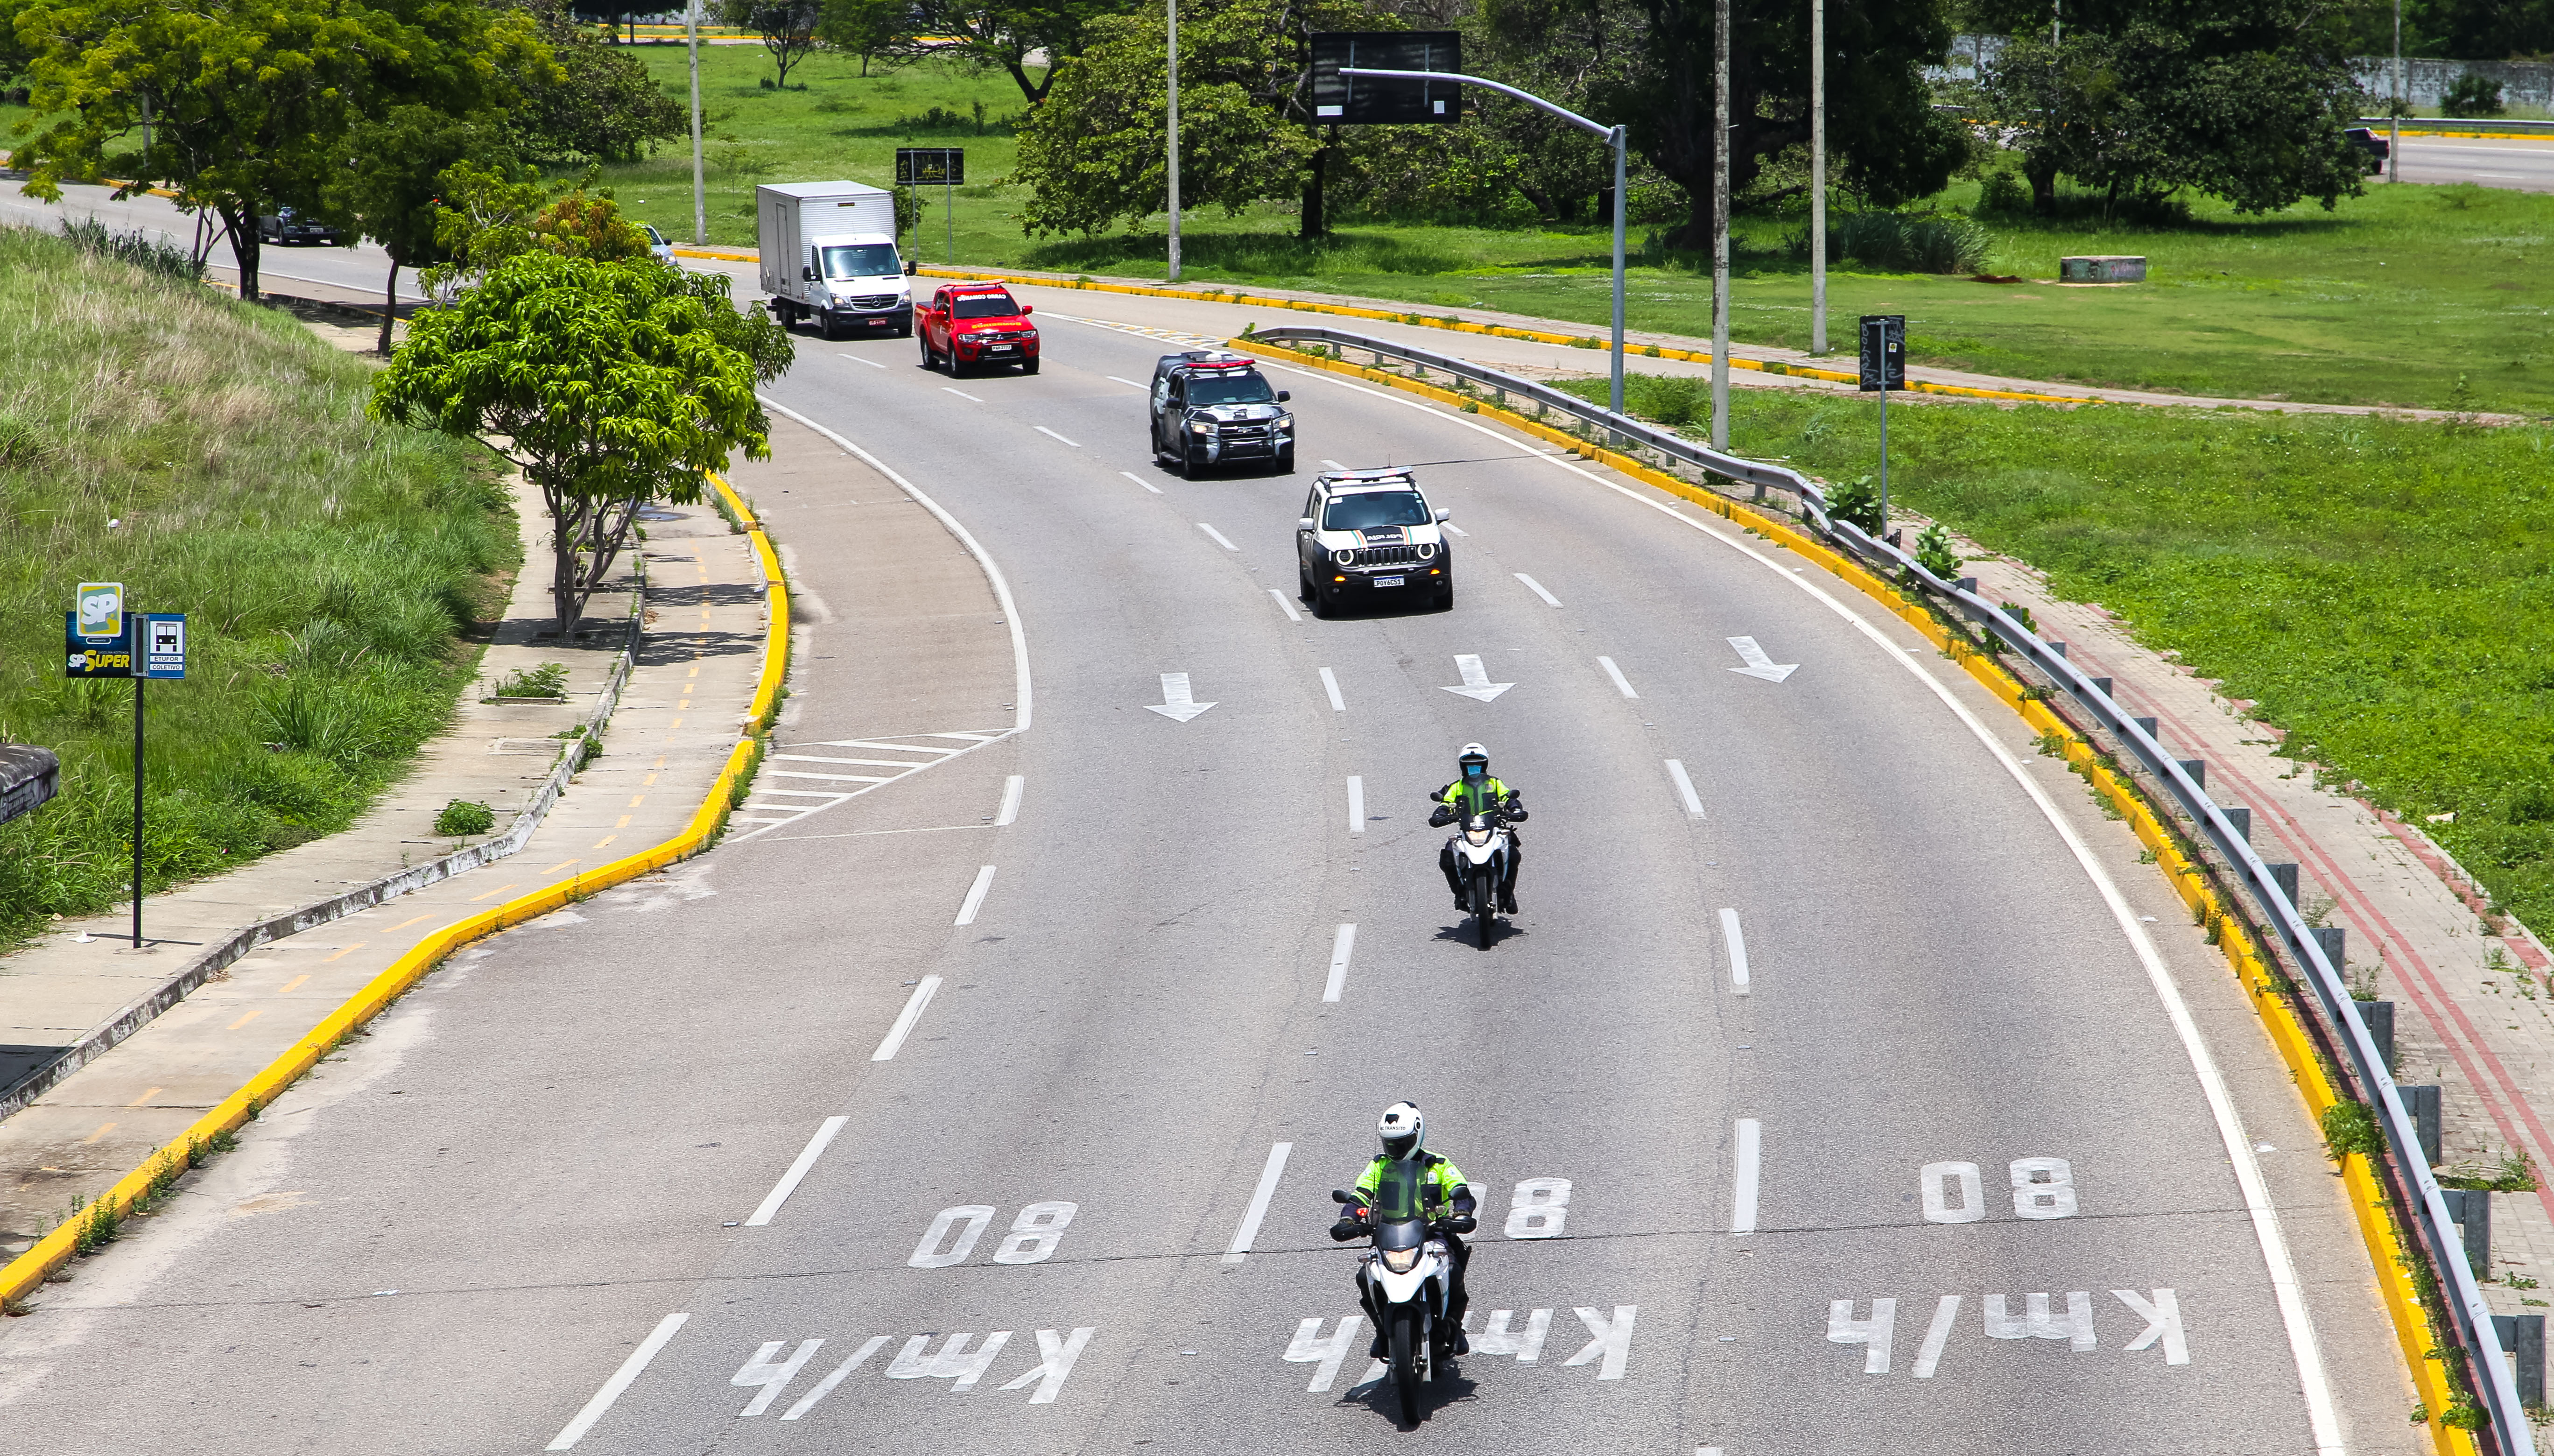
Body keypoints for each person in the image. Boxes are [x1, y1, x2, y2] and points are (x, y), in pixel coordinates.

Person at [1330, 1101, 1477, 1355]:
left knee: (1453, 1271)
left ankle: (1454, 1325)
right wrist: (1348, 1220)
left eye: (1401, 1143)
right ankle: (1381, 1330)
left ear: (1417, 1135)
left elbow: (1461, 1191)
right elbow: (1360, 1196)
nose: (1395, 1149)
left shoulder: (1438, 1164)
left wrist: (1462, 1212)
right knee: (1365, 1278)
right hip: (1390, 1235)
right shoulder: (1378, 1167)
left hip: (1433, 1232)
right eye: (1390, 1143)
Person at [1430, 742, 1525, 914]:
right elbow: (1445, 803)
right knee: (1447, 858)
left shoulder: (1495, 783)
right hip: (1468, 829)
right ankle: (1459, 893)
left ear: (1485, 765)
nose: (1473, 768)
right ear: (1462, 766)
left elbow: (1509, 796)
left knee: (1513, 853)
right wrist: (1441, 813)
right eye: (1469, 765)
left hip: (1494, 827)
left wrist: (1515, 808)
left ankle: (1508, 892)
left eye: (1478, 764)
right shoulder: (1456, 787)